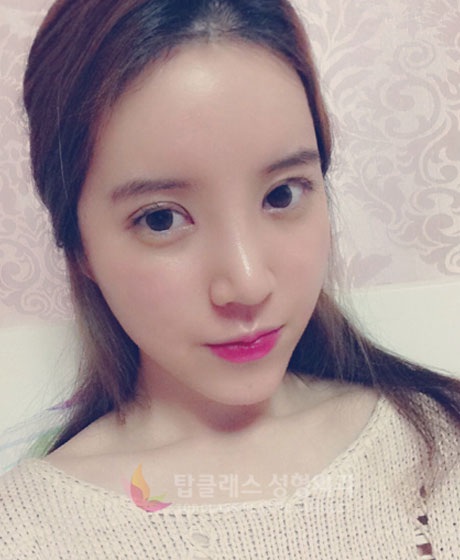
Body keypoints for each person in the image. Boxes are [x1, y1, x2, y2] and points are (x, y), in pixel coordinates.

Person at [0, 0, 459, 558]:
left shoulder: (440, 446)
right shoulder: (26, 532)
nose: (246, 284)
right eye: (161, 219)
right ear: (79, 247)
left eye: (282, 194)